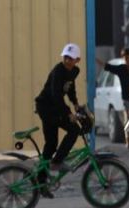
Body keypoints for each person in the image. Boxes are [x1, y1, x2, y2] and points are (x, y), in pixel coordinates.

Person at [35, 43, 82, 197]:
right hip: (47, 108)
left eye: (71, 58)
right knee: (73, 130)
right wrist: (68, 113)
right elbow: (56, 95)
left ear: (77, 60)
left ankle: (40, 181)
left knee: (51, 144)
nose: (68, 60)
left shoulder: (74, 71)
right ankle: (57, 163)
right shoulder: (58, 71)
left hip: (55, 108)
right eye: (66, 57)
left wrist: (76, 104)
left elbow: (70, 89)